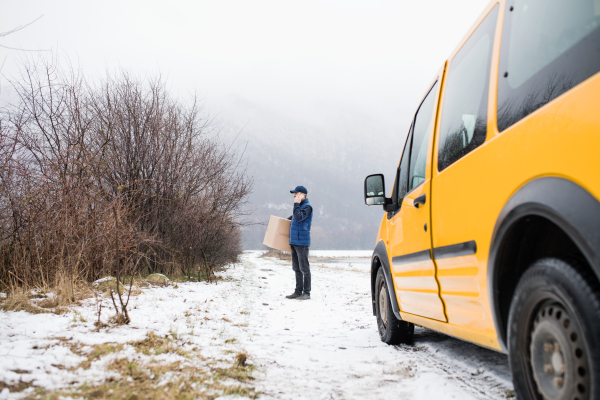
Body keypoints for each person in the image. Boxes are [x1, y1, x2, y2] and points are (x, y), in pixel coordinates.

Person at [285, 185, 313, 300]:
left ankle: (306, 293)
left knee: (304, 268)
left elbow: (298, 217)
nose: (294, 196)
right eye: (294, 194)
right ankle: (298, 291)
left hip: (302, 242)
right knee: (296, 268)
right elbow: (293, 219)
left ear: (302, 195)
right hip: (294, 241)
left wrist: (296, 204)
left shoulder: (307, 207)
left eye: (296, 194)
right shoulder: (299, 207)